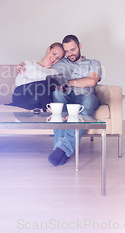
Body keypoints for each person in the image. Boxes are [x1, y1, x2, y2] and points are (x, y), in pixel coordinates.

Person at [47, 35, 101, 166]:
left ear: (80, 46)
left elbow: (92, 81)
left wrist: (68, 82)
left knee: (88, 100)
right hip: (66, 98)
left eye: (73, 49)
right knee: (57, 95)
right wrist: (24, 66)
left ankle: (61, 149)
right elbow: (42, 68)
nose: (70, 54)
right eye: (66, 51)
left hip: (86, 97)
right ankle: (62, 151)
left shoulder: (93, 63)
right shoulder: (59, 64)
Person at [7, 42, 64, 111]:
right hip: (21, 95)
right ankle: (48, 111)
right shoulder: (29, 64)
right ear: (48, 49)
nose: (54, 58)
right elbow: (18, 82)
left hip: (36, 101)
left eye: (58, 58)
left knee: (47, 84)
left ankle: (47, 109)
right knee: (45, 83)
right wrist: (41, 83)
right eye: (54, 53)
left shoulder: (55, 72)